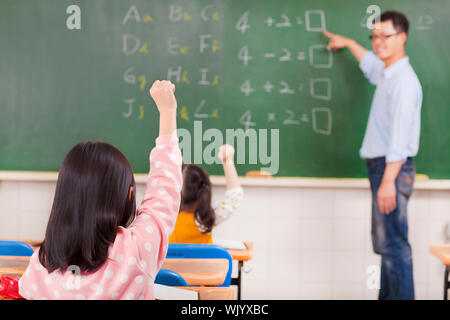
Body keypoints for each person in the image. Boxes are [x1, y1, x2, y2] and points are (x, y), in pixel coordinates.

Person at [19, 80, 182, 300]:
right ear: (129, 196)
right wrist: (167, 111)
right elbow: (164, 188)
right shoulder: (136, 250)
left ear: (63, 198)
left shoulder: (39, 268)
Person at [324, 11, 422, 300]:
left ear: (402, 38)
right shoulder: (387, 72)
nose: (378, 42)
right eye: (375, 36)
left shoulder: (403, 82)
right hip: (384, 168)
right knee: (387, 246)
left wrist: (389, 181)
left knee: (394, 246)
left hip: (392, 169)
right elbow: (369, 63)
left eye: (385, 36)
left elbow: (400, 138)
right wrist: (350, 43)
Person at [169, 144, 244, 244]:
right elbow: (235, 196)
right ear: (204, 191)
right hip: (204, 260)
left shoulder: (166, 220)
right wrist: (227, 160)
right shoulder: (203, 221)